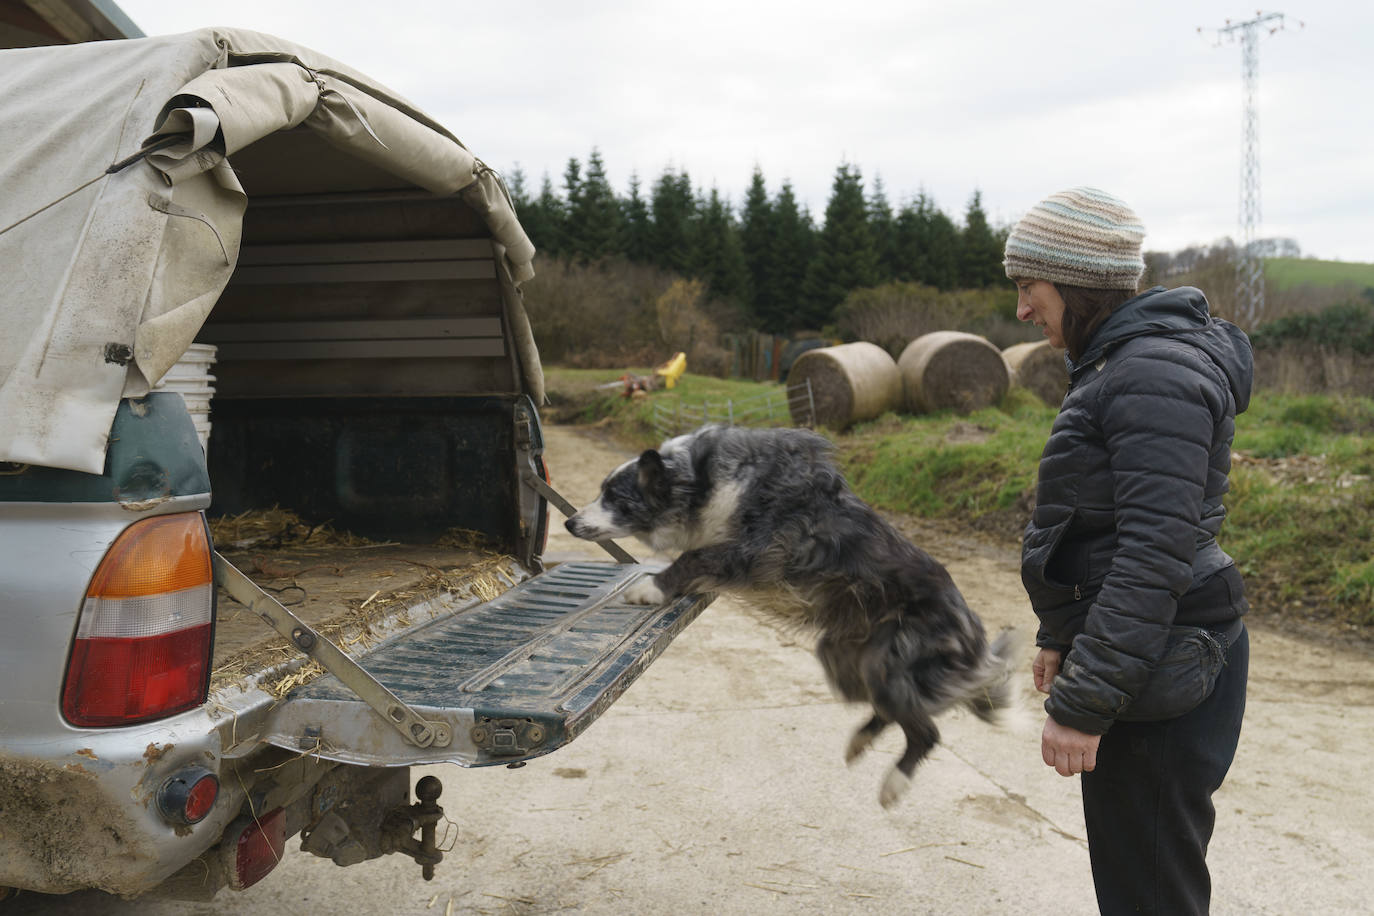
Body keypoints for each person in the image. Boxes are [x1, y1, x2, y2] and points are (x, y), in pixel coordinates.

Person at [1004, 187, 1253, 915]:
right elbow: (1098, 525)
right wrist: (1062, 634)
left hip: (1163, 658)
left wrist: (1084, 703)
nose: (1021, 310)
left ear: (1076, 282)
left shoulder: (1150, 373)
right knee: (1139, 882)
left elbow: (1153, 552)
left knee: (1148, 893)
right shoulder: (1124, 363)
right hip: (1150, 652)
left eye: (1029, 287)